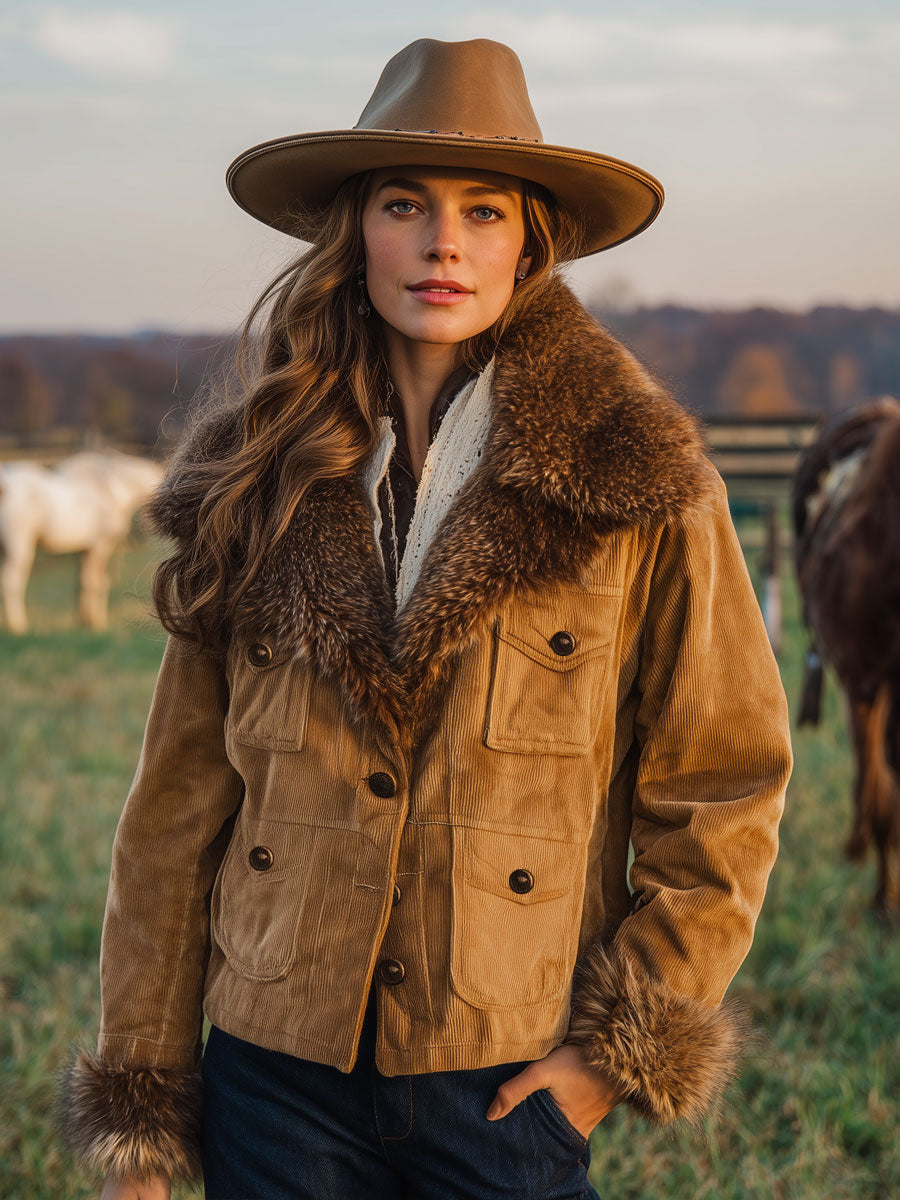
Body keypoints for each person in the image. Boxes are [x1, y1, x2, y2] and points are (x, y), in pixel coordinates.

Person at [55, 36, 793, 1200]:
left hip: (502, 1081)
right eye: (407, 204)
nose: (446, 243)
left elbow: (729, 780)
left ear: (529, 239)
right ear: (358, 231)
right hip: (271, 1077)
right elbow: (173, 813)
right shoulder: (256, 476)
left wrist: (612, 1055)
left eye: (484, 211)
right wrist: (146, 1111)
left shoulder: (638, 477)